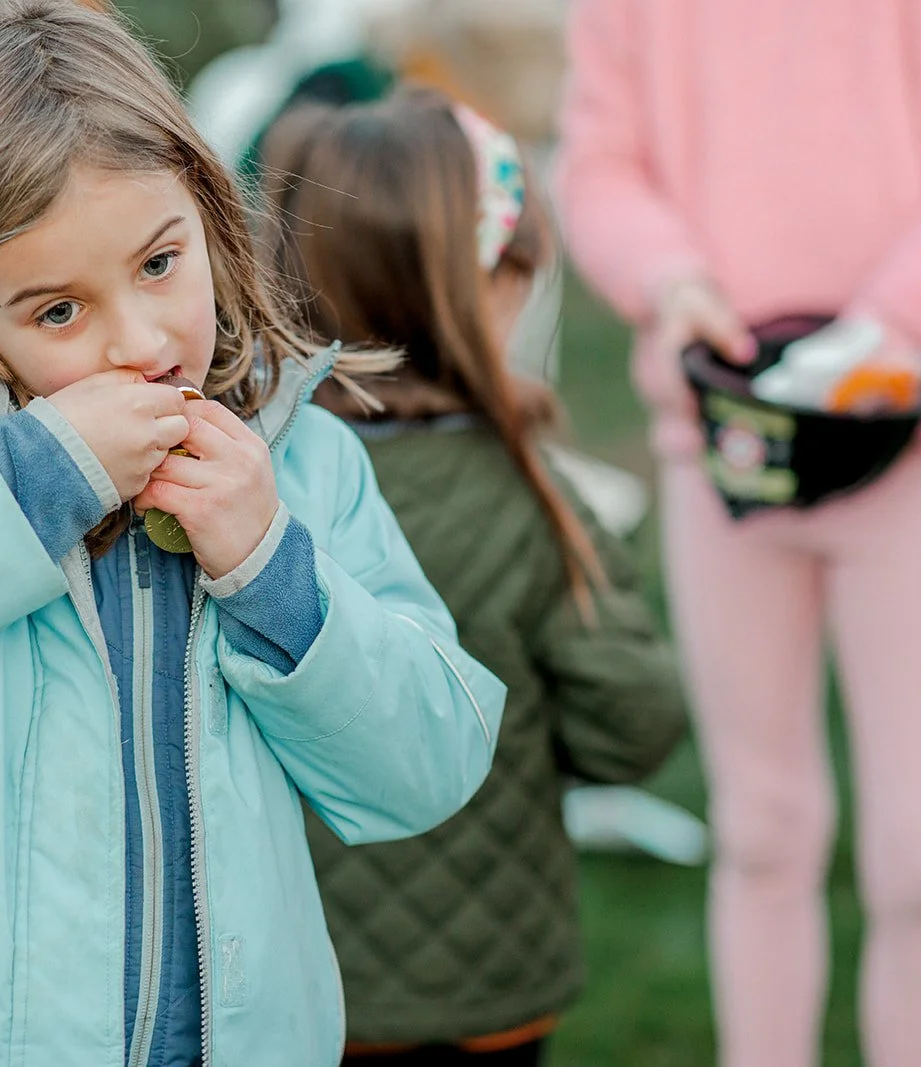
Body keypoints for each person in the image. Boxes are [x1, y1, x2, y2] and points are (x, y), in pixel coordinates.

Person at [0, 3, 505, 1065]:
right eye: (58, 312)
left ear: (208, 210)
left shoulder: (299, 460)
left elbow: (425, 764)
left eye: (160, 264)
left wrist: (275, 571)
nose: (144, 343)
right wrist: (20, 488)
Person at [555, 2, 921, 1066]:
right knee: (760, 832)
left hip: (910, 439)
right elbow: (596, 164)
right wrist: (666, 275)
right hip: (728, 444)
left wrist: (894, 325)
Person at [260, 87, 688, 1067]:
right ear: (486, 285)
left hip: (289, 971)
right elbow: (630, 727)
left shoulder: (245, 484)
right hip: (486, 979)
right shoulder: (531, 499)